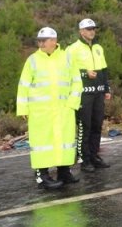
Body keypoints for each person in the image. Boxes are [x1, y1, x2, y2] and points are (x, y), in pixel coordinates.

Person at [16, 27, 83, 189]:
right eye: (39, 41)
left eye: (43, 41)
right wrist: (23, 108)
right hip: (41, 112)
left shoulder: (67, 57)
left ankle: (64, 171)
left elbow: (76, 81)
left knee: (64, 142)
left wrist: (72, 103)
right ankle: (42, 175)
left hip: (63, 110)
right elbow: (23, 85)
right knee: (42, 144)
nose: (40, 44)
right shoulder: (32, 60)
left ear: (53, 41)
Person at [66, 18, 112, 171]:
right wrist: (85, 74)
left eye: (93, 28)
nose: (92, 31)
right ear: (81, 31)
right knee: (84, 127)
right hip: (83, 94)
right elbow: (65, 71)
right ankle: (84, 160)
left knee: (97, 126)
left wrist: (107, 89)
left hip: (98, 93)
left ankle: (94, 156)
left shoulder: (98, 47)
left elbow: (104, 69)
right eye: (88, 29)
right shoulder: (72, 49)